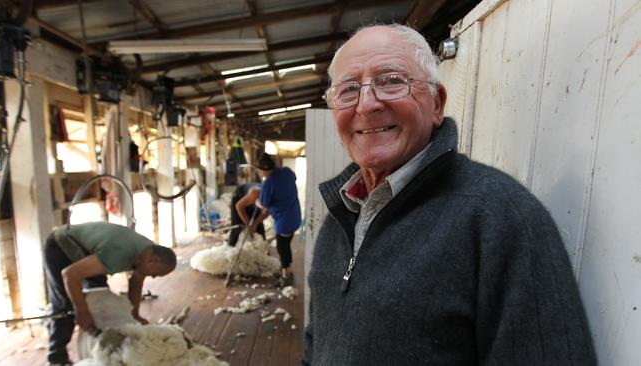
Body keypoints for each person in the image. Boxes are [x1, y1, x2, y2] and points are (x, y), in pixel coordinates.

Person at [302, 24, 596, 365]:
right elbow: (316, 344)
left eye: (392, 80)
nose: (366, 104)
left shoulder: (502, 218)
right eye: (349, 89)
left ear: (437, 103)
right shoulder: (341, 213)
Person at [43, 221, 177, 365]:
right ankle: (56, 358)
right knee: (66, 307)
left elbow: (135, 283)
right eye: (155, 274)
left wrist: (134, 315)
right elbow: (69, 275)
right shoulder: (118, 254)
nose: (154, 277)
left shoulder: (148, 253)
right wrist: (82, 312)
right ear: (151, 261)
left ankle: (97, 338)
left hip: (88, 251)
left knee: (100, 294)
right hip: (61, 246)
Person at [250, 153, 301, 287]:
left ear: (264, 170)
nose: (262, 174)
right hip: (295, 216)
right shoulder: (287, 171)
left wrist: (257, 202)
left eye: (261, 171)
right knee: (286, 244)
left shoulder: (269, 183)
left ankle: (286, 276)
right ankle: (287, 269)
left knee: (281, 247)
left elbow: (265, 205)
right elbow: (293, 179)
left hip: (284, 221)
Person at [228, 182, 265, 246]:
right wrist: (247, 223)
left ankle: (264, 248)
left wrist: (255, 223)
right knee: (237, 226)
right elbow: (239, 206)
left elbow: (266, 213)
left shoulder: (274, 199)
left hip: (253, 202)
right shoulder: (255, 193)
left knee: (259, 228)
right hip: (239, 199)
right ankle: (231, 246)